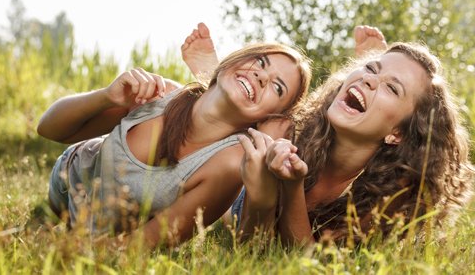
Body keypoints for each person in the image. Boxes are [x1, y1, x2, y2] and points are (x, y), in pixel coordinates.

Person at [182, 23, 474, 245]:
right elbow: (247, 236)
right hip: (240, 192)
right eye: (371, 68)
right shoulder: (288, 130)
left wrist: (291, 186)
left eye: (392, 87)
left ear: (397, 133)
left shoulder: (392, 193)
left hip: (269, 200)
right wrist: (261, 190)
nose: (370, 79)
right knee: (250, 131)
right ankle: (212, 76)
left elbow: (305, 260)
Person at [37, 39, 312, 248]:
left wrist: (86, 252)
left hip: (102, 231)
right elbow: (49, 128)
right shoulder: (161, 94)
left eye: (278, 87)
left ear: (269, 116)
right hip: (68, 182)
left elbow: (139, 246)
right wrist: (107, 96)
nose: (262, 76)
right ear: (233, 61)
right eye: (261, 62)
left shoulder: (228, 165)